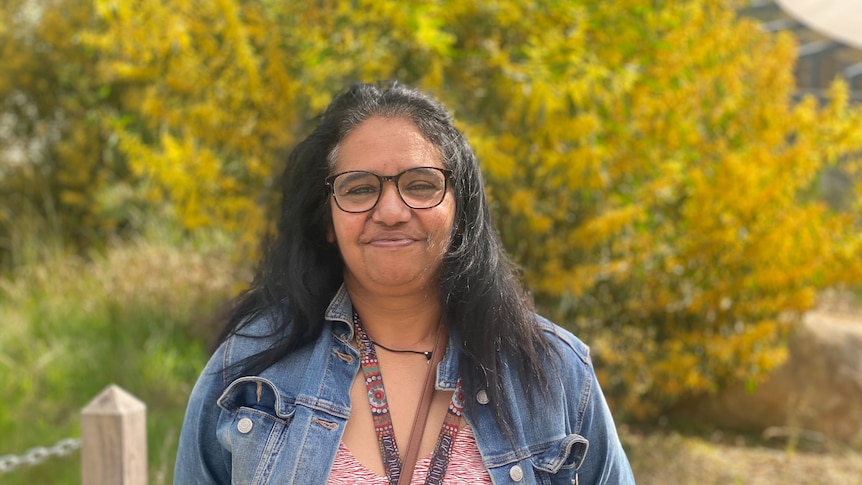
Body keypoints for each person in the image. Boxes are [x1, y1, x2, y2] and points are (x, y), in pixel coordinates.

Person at [174, 82, 635, 485]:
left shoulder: (554, 371)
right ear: (327, 219)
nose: (392, 212)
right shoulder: (249, 370)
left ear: (459, 209)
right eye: (359, 188)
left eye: (420, 184)